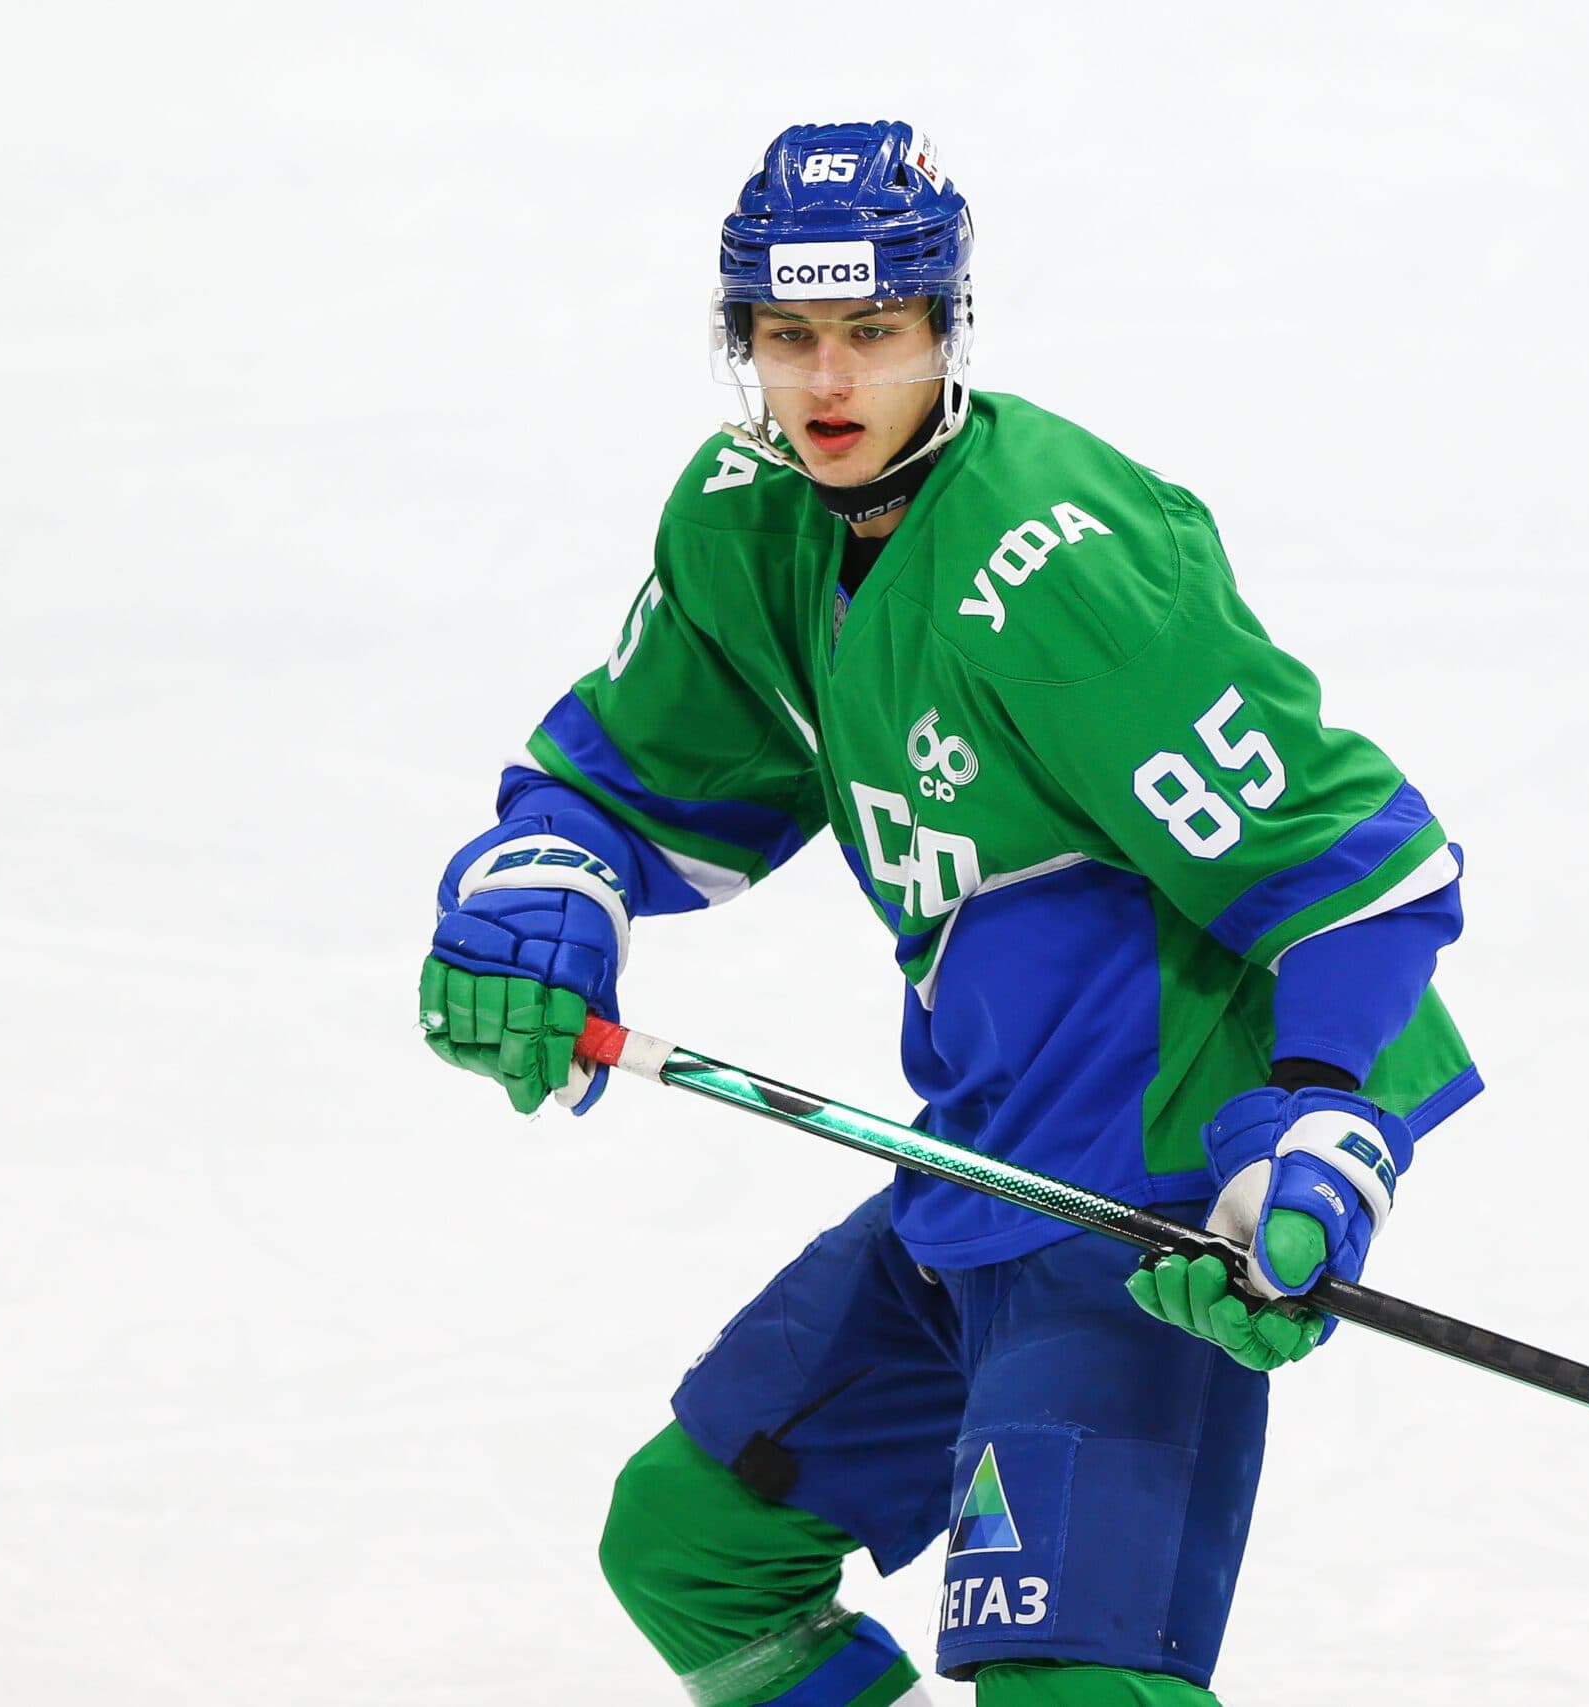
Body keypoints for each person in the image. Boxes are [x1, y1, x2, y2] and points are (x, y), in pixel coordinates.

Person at [417, 120, 1479, 1707]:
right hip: (974, 1162)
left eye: (874, 336)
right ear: (744, 345)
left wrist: (1326, 1122)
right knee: (695, 1548)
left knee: (1070, 1681)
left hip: (1150, 1202)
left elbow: (1361, 874)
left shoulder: (1059, 562)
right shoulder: (745, 517)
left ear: (943, 334)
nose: (830, 386)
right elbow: (630, 782)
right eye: (790, 339)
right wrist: (544, 892)